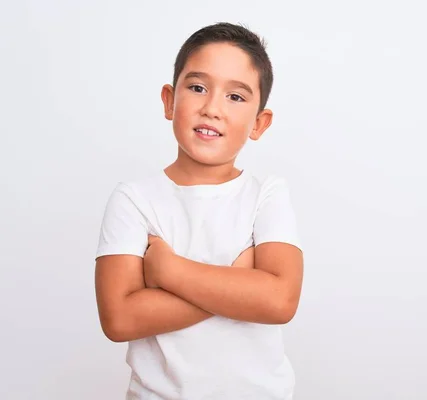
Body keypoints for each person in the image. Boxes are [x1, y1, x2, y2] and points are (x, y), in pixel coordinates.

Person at [94, 22, 304, 400]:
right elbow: (120, 319)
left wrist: (170, 272)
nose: (212, 108)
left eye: (235, 97)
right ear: (169, 101)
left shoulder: (267, 195)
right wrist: (237, 283)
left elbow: (279, 300)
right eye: (197, 88)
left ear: (259, 123)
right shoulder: (134, 199)